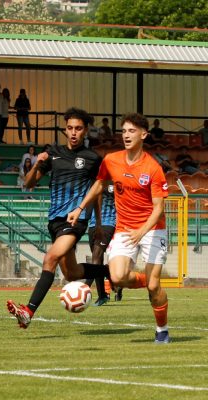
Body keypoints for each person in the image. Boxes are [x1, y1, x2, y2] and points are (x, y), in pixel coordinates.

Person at [68, 112, 170, 343]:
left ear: (143, 135)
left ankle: (162, 330)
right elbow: (98, 185)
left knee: (155, 288)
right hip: (125, 228)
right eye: (123, 131)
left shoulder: (153, 168)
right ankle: (147, 280)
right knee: (117, 276)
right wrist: (80, 208)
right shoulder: (111, 160)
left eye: (132, 131)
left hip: (152, 229)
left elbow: (158, 209)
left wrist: (141, 231)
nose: (126, 135)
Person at [6, 107, 108, 329]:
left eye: (78, 128)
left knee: (49, 259)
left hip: (75, 220)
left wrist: (97, 224)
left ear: (85, 131)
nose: (73, 132)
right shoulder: (53, 153)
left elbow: (97, 191)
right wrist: (36, 163)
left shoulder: (92, 159)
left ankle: (27, 312)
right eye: (70, 128)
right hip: (55, 221)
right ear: (65, 129)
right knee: (71, 273)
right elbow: (28, 184)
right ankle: (113, 273)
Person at [84, 182, 117, 306]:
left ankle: (83, 288)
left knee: (96, 258)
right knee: (98, 260)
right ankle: (102, 294)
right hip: (92, 225)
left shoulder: (115, 182)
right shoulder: (93, 182)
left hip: (108, 224)